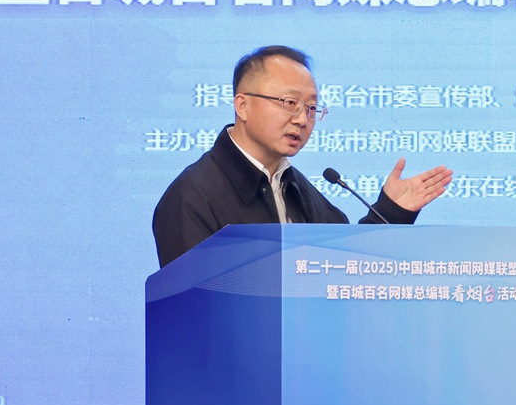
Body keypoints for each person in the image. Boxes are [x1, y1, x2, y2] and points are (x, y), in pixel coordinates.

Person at [153, 45, 453, 267]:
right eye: (289, 102)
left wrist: (392, 211)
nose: (301, 119)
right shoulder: (193, 194)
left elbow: (344, 266)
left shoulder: (294, 186)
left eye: (311, 108)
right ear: (242, 106)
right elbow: (193, 304)